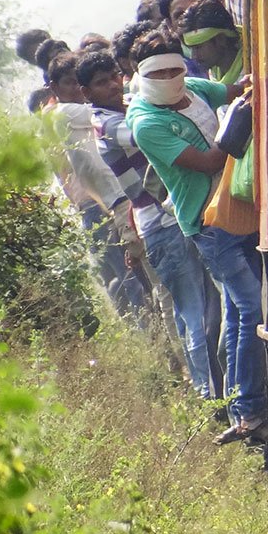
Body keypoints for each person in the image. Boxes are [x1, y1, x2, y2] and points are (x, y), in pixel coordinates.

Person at [126, 32, 266, 444]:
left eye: (176, 68)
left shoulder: (194, 89)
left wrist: (253, 90)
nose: (171, 77)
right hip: (206, 223)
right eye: (160, 72)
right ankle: (249, 409)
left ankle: (245, 408)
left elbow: (238, 87)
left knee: (242, 313)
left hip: (238, 207)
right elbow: (206, 163)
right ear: (142, 75)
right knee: (250, 307)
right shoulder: (146, 122)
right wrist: (236, 125)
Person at [79, 50, 216, 399]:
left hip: (165, 219)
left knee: (196, 311)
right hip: (160, 223)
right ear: (86, 92)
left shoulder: (127, 108)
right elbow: (152, 131)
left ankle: (211, 391)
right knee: (194, 312)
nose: (112, 85)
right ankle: (209, 395)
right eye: (101, 82)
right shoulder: (109, 124)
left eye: (114, 76)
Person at [43, 51, 148, 314]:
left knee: (145, 281)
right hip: (115, 202)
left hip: (120, 199)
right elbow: (125, 104)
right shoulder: (64, 112)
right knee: (139, 283)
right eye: (69, 82)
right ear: (55, 88)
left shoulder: (89, 112)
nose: (77, 89)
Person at [179, 0, 244, 85]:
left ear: (221, 39)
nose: (194, 56)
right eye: (192, 48)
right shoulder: (213, 70)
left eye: (198, 47)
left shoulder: (252, 68)